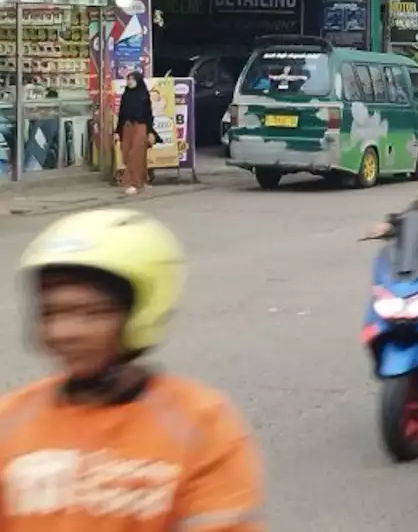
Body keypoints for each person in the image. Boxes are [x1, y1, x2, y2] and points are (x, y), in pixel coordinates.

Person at [0, 209, 264, 531]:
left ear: (139, 314)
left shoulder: (200, 426)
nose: (65, 331)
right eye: (52, 312)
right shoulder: (10, 422)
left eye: (91, 312)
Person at [115, 71, 156, 196]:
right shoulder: (126, 95)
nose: (130, 81)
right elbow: (121, 115)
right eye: (128, 79)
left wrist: (150, 131)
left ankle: (134, 183)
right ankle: (143, 180)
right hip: (127, 127)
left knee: (135, 155)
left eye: (132, 79)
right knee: (127, 154)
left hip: (141, 126)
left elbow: (149, 115)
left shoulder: (144, 95)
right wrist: (117, 131)